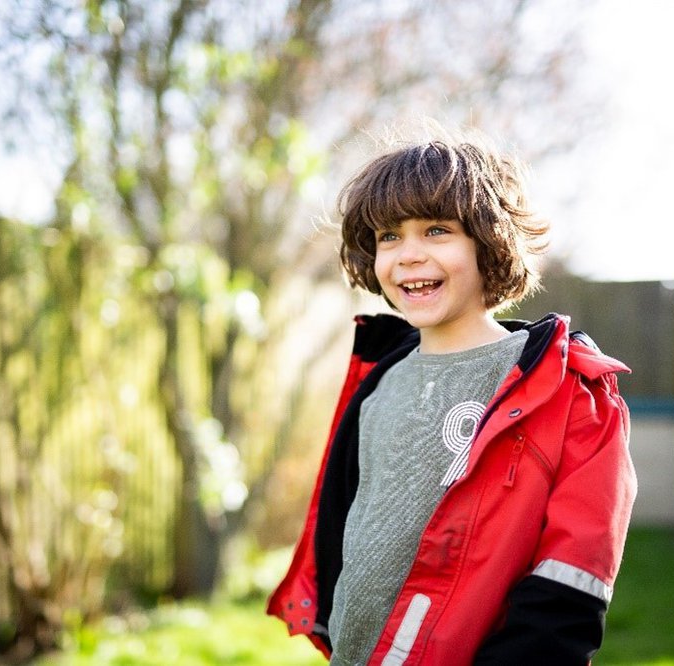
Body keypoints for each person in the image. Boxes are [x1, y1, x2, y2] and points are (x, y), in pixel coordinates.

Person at [267, 135, 637, 665]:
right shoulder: (377, 383)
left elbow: (570, 590)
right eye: (389, 236)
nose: (409, 254)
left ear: (489, 244)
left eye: (437, 230)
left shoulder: (571, 394)